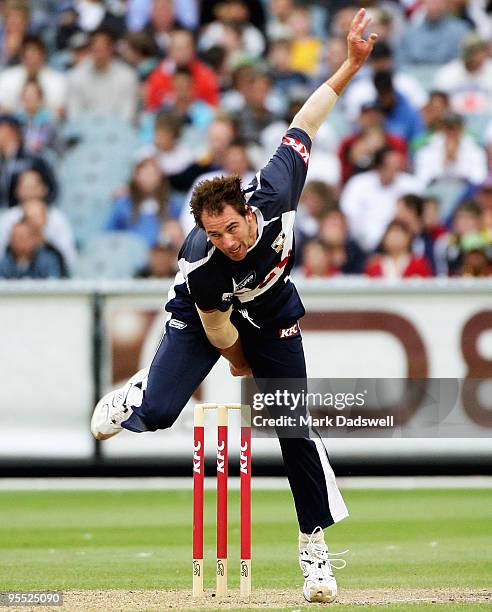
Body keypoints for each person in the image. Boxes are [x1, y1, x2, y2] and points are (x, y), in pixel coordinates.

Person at [91, 8, 378, 605]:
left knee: (291, 425)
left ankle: (315, 553)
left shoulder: (273, 191)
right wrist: (240, 362)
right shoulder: (203, 264)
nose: (228, 240)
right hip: (208, 318)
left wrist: (349, 64)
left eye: (230, 229)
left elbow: (306, 121)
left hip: (273, 310)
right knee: (166, 412)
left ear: (246, 210)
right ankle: (141, 393)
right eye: (214, 234)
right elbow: (220, 335)